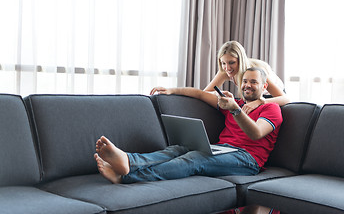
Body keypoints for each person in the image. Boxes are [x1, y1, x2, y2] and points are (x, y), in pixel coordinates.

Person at [94, 67, 283, 184]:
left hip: (248, 160)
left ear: (264, 87)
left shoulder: (271, 109)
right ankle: (129, 161)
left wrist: (235, 110)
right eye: (245, 81)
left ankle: (125, 177)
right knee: (178, 149)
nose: (247, 85)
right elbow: (200, 94)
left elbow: (256, 133)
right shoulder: (233, 103)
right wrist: (172, 90)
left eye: (254, 82)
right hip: (222, 149)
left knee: (195, 158)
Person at [204, 40, 289, 114]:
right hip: (254, 97)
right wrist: (219, 94)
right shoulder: (225, 71)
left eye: (232, 63)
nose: (227, 68)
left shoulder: (255, 71)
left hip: (271, 97)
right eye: (223, 63)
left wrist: (259, 102)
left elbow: (285, 99)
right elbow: (206, 92)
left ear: (241, 61)